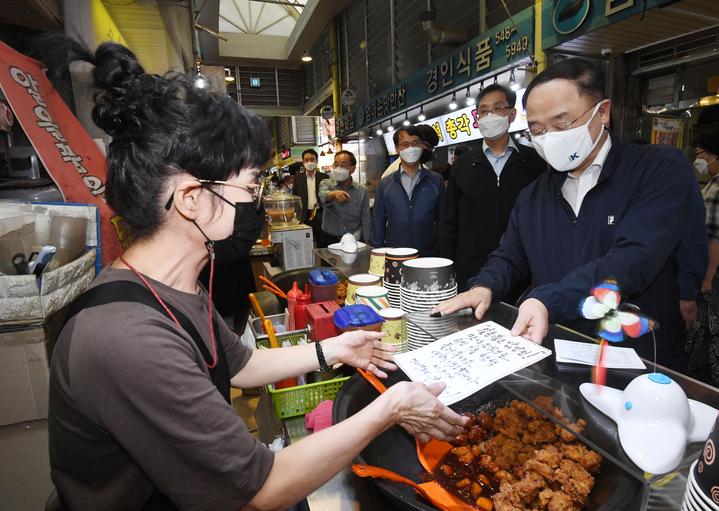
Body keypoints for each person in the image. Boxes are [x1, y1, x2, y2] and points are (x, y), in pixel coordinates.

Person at [47, 40, 468, 511]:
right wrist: (389, 409)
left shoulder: (172, 286)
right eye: (249, 187)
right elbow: (259, 491)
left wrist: (331, 348)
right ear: (190, 199)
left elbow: (242, 367)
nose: (258, 203)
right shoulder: (127, 339)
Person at [433, 58, 698, 372]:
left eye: (561, 125)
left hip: (640, 357)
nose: (549, 138)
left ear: (603, 112)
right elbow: (509, 256)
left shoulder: (657, 169)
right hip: (562, 354)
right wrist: (484, 286)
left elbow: (634, 259)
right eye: (537, 130)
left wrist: (549, 300)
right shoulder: (533, 196)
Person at [439, 84, 546, 294]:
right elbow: (449, 220)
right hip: (469, 269)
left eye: (498, 109)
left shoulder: (534, 162)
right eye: (484, 111)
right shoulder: (463, 164)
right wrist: (448, 265)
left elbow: (542, 219)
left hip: (518, 270)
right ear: (477, 119)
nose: (490, 116)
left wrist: (539, 270)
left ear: (512, 114)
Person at [371, 125, 445, 256]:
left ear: (422, 147)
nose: (410, 148)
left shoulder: (436, 181)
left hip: (427, 254)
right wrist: (378, 256)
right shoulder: (385, 183)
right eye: (405, 144)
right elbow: (378, 223)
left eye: (415, 143)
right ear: (397, 149)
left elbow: (443, 221)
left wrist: (444, 255)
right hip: (395, 255)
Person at [318, 150, 371, 246]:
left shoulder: (362, 190)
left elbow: (365, 219)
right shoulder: (326, 183)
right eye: (336, 165)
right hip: (329, 240)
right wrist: (334, 194)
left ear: (352, 169)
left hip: (353, 241)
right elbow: (322, 195)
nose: (338, 168)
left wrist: (367, 242)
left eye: (343, 165)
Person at [694, 130, 719, 315]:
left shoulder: (716, 189)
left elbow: (714, 237)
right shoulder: (712, 183)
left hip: (714, 273)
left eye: (699, 154)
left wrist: (707, 279)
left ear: (713, 154)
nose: (698, 161)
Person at [292, 148, 329, 247]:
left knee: (322, 243)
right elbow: (294, 197)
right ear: (303, 162)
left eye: (312, 159)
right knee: (306, 245)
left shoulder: (324, 177)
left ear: (316, 161)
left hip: (320, 215)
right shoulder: (298, 178)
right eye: (306, 160)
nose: (309, 162)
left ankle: (323, 262)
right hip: (305, 215)